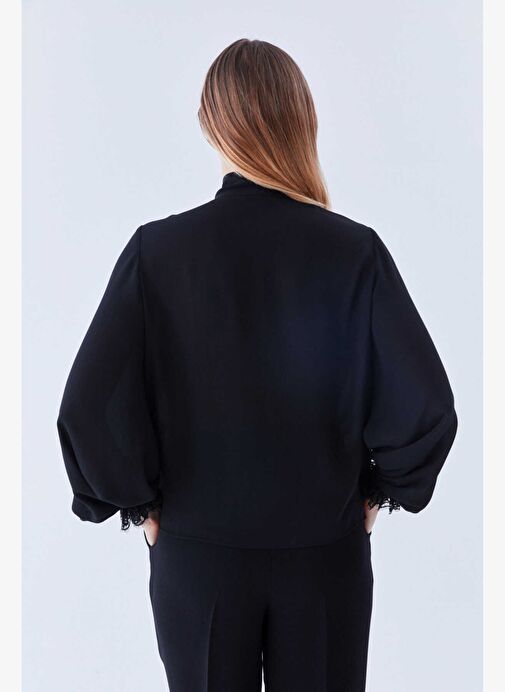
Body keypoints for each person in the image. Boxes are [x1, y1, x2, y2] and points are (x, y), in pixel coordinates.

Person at [57, 38, 458, 692]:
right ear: (303, 122)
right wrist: (379, 492)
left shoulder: (157, 253)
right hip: (324, 559)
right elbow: (426, 406)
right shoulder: (353, 253)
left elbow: (88, 409)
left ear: (210, 124)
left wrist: (141, 505)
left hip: (198, 560)